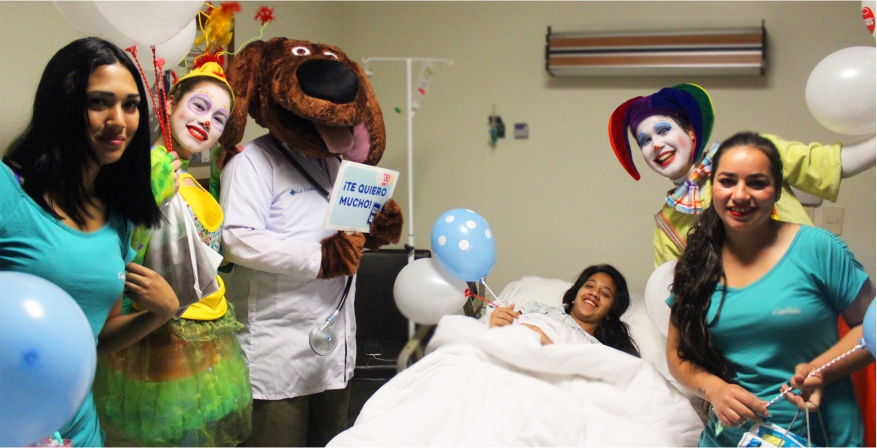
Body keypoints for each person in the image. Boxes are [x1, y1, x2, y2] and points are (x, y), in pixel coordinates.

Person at [0, 37, 180, 447]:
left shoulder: (118, 214)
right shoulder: (7, 190)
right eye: (100, 102)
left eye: (131, 105)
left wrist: (160, 313)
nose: (119, 120)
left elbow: (95, 337)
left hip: (80, 434)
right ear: (62, 106)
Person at [666, 132, 875, 447]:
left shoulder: (819, 249)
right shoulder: (696, 262)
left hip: (812, 435)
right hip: (727, 439)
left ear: (777, 190)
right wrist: (715, 389)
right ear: (713, 187)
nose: (740, 195)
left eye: (757, 183)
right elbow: (676, 354)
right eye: (727, 181)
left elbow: (869, 327)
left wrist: (822, 369)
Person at [92, 62, 252, 447]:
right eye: (199, 105)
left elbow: (206, 248)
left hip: (205, 340)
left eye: (219, 118)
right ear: (170, 103)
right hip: (158, 338)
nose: (206, 121)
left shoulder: (187, 177)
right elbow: (119, 252)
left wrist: (219, 175)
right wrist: (148, 196)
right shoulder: (143, 169)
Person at [607, 83, 876, 267]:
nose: (655, 145)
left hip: (815, 287)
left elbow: (832, 163)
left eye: (663, 130)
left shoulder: (754, 153)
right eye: (644, 140)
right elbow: (673, 297)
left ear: (690, 130)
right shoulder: (667, 224)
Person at [489, 264, 640, 356]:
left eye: (605, 293)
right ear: (575, 295)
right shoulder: (535, 309)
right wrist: (497, 321)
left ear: (610, 312)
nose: (594, 293)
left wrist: (550, 349)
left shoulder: (596, 350)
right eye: (589, 286)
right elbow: (506, 330)